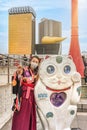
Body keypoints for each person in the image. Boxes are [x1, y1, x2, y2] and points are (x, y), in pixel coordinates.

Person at [11, 55, 40, 130]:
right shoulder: (24, 70)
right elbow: (17, 77)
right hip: (24, 95)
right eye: (33, 61)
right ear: (30, 61)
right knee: (21, 115)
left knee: (30, 115)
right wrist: (18, 73)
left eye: (36, 62)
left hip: (32, 96)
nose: (35, 63)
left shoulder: (37, 73)